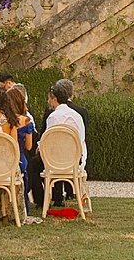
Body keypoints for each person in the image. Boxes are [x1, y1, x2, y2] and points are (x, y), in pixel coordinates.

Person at [43, 78, 87, 208]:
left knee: (34, 163)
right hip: (76, 159)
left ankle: (43, 201)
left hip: (56, 161)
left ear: (54, 99)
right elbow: (81, 139)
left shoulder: (53, 117)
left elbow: (50, 143)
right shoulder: (77, 116)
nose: (48, 101)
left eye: (49, 99)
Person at [6, 81, 42, 213]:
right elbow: (28, 146)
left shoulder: (3, 121)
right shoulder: (26, 121)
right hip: (20, 158)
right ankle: (22, 207)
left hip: (4, 159)